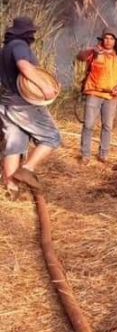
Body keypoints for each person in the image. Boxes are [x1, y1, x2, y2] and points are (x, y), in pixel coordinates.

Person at [0, 16, 61, 200]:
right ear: (27, 34)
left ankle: (11, 188)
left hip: (6, 103)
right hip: (23, 104)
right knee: (52, 138)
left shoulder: (4, 50)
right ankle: (27, 169)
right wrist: (44, 87)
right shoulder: (19, 46)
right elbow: (24, 66)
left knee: (14, 144)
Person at [76, 26, 117, 165]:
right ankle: (85, 155)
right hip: (94, 92)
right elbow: (79, 57)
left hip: (111, 96)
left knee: (107, 126)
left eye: (111, 38)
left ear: (116, 41)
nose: (108, 41)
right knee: (88, 125)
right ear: (101, 39)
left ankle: (103, 154)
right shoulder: (93, 52)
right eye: (106, 38)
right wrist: (91, 50)